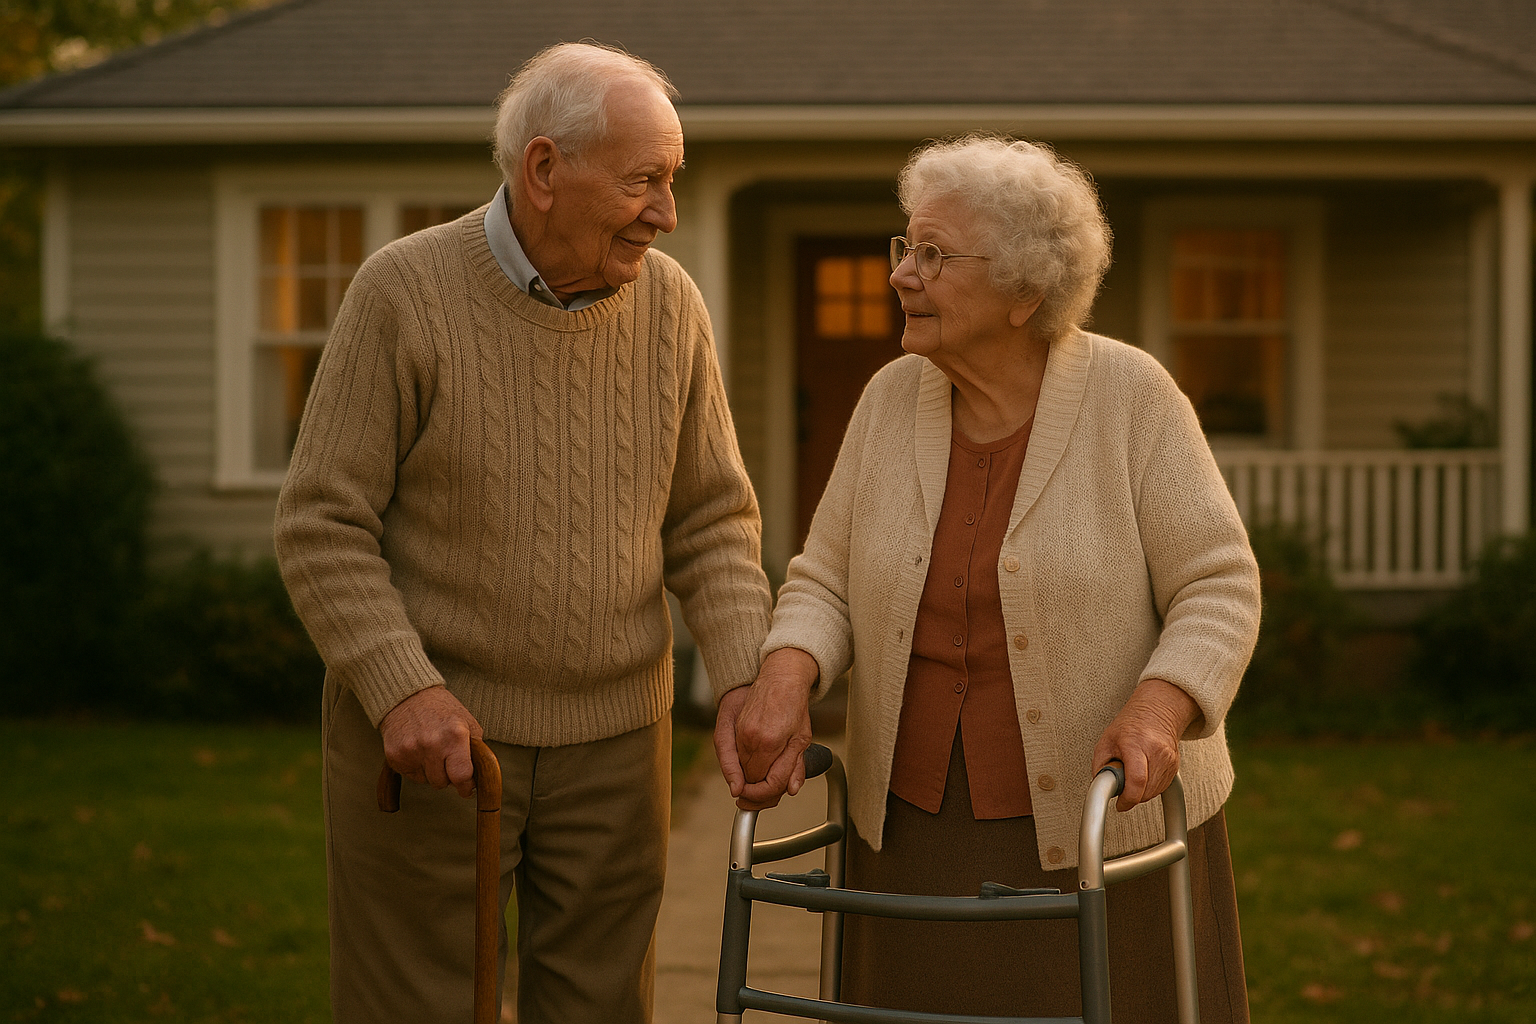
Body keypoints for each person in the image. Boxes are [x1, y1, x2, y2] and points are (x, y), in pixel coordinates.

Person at [275, 42, 772, 1024]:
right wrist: (402, 687)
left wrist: (748, 677)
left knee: (599, 1007)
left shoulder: (671, 306)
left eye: (674, 183)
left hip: (620, 743)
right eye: (644, 182)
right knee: (419, 1005)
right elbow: (321, 522)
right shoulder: (402, 293)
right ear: (544, 170)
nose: (666, 213)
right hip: (437, 746)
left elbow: (711, 519)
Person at [716, 135, 1261, 1022]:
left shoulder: (1132, 398)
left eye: (934, 255)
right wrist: (786, 677)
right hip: (915, 840)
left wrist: (1161, 708)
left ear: (1026, 292)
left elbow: (1220, 584)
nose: (902, 274)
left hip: (1102, 828)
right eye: (905, 248)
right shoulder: (890, 400)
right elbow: (824, 579)